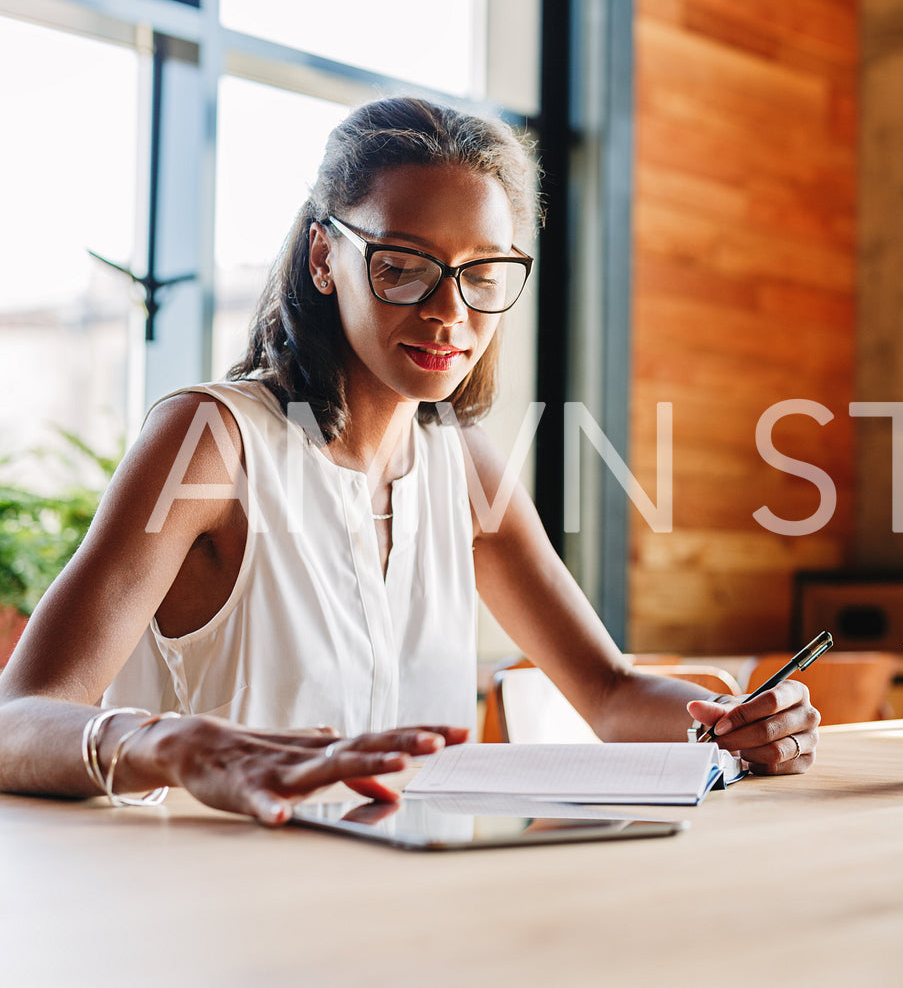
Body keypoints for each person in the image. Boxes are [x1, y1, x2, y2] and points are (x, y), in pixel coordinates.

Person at [0, 97, 819, 825]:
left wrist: (733, 716)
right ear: (325, 258)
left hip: (405, 911)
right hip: (203, 916)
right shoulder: (213, 440)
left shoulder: (463, 467)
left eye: (481, 273)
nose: (447, 312)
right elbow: (16, 720)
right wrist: (180, 745)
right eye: (403, 267)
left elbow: (607, 693)